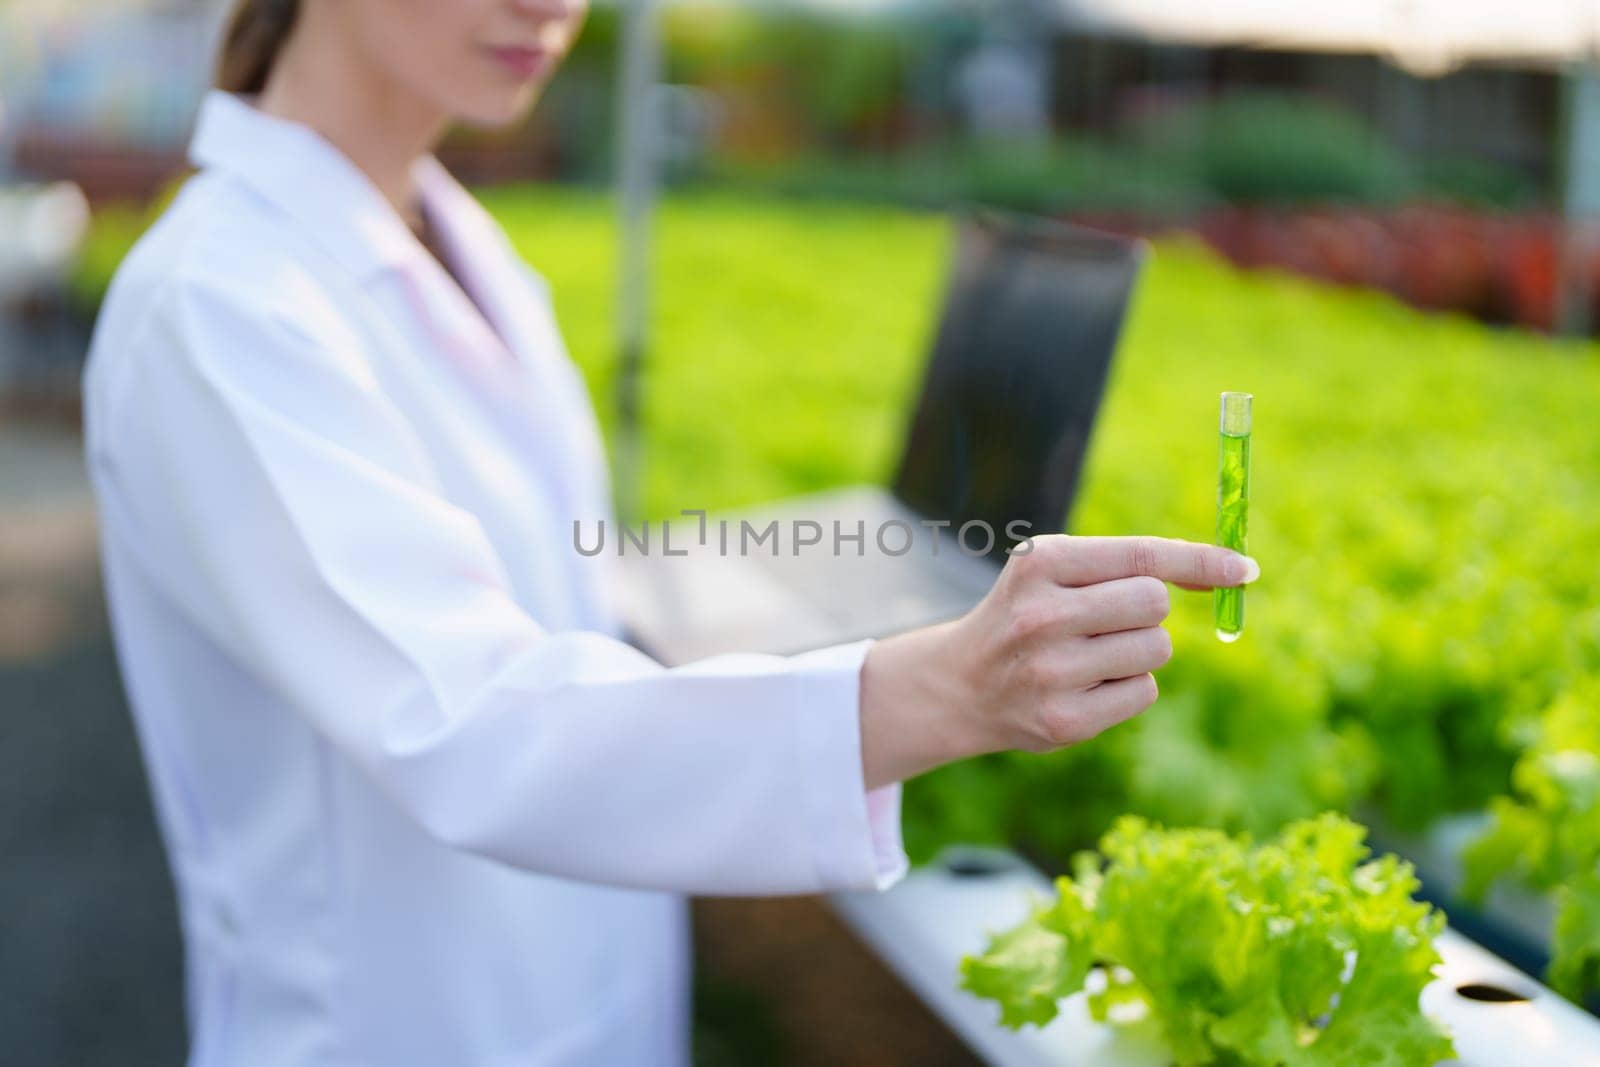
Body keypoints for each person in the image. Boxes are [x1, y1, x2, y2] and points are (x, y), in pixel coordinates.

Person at [79, 0, 1260, 1063]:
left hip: (576, 984)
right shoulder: (218, 306)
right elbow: (468, 721)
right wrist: (935, 689)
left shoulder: (452, 236)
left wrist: (761, 589)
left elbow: (541, 599)